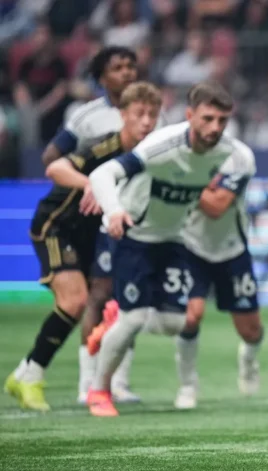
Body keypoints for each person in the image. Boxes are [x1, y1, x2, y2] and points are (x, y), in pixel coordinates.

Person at [85, 82, 247, 417]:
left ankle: (116, 319)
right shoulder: (161, 146)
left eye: (222, 120)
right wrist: (114, 211)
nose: (215, 127)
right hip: (133, 236)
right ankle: (99, 391)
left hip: (173, 239)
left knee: (178, 322)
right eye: (207, 119)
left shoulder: (229, 153)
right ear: (190, 115)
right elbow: (102, 174)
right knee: (134, 319)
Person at [3, 82, 162, 412]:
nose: (147, 121)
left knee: (110, 301)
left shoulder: (151, 155)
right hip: (57, 226)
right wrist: (92, 183)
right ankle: (34, 376)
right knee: (75, 301)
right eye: (139, 114)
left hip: (95, 235)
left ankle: (34, 375)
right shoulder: (106, 148)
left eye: (152, 115)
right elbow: (55, 167)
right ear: (123, 115)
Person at [40, 46, 146, 404]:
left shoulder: (149, 114)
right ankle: (88, 383)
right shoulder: (87, 117)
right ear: (101, 77)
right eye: (118, 67)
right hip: (95, 217)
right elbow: (52, 157)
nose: (127, 72)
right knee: (99, 294)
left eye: (131, 66)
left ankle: (119, 382)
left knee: (128, 295)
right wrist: (87, 185)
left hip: (135, 212)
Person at [172, 145, 263, 410]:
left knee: (251, 331)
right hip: (190, 246)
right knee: (191, 317)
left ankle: (248, 361)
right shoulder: (175, 150)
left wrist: (184, 180)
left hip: (232, 250)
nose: (213, 128)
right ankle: (187, 385)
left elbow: (217, 205)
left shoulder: (238, 156)